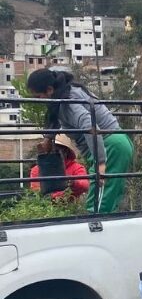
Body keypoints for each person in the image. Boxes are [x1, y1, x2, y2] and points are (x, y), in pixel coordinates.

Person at [27, 69, 134, 213]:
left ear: (49, 90)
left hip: (109, 147)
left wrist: (101, 162)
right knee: (107, 202)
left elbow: (88, 123)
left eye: (39, 97)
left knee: (98, 206)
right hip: (112, 144)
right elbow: (56, 119)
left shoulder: (68, 101)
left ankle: (96, 234)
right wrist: (48, 139)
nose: (39, 101)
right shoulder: (64, 95)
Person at [29, 133, 89, 200]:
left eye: (57, 150)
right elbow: (36, 190)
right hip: (46, 207)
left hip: (70, 206)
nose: (53, 153)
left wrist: (73, 182)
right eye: (50, 149)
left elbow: (85, 185)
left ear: (66, 152)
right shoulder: (37, 169)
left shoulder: (76, 168)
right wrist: (59, 195)